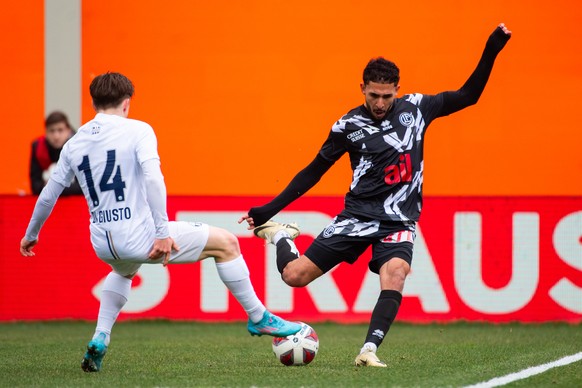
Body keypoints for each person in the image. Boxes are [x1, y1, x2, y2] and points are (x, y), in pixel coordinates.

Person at [239, 23, 512, 367]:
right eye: (373, 95)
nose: (380, 103)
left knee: (396, 271)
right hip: (357, 217)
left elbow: (469, 95)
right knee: (294, 276)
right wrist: (268, 210)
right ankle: (281, 235)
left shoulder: (417, 109)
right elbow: (313, 171)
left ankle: (368, 350)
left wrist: (492, 47)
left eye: (387, 95)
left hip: (399, 219)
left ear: (398, 89)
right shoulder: (346, 127)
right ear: (362, 89)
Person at [19, 72, 301, 373]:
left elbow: (49, 194)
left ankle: (100, 337)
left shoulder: (75, 143)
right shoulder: (138, 130)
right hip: (138, 236)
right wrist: (163, 233)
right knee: (227, 243)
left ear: (93, 102)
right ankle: (258, 316)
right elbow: (154, 179)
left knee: (123, 270)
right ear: (127, 103)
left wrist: (30, 234)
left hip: (102, 241)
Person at [29, 111, 83, 195]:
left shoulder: (79, 147)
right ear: (46, 132)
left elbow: (83, 186)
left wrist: (53, 187)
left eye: (60, 130)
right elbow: (35, 186)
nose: (56, 136)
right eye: (52, 131)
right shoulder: (38, 147)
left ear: (68, 131)